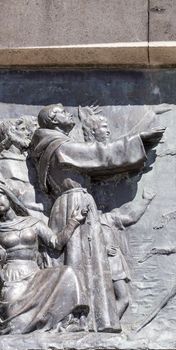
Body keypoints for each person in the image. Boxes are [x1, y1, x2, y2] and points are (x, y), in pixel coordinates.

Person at [30, 103, 165, 332]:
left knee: (83, 260)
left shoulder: (50, 147)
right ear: (53, 120)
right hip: (76, 206)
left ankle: (89, 320)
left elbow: (98, 166)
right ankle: (79, 319)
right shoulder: (60, 146)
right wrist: (137, 142)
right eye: (62, 111)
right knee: (80, 260)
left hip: (67, 205)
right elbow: (99, 156)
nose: (68, 114)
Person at [0, 183, 89, 334]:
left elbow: (56, 243)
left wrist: (74, 221)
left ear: (9, 196)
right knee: (15, 324)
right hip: (12, 277)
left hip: (36, 275)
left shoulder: (32, 222)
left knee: (67, 273)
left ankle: (70, 321)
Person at [100, 189, 155, 318]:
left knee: (122, 299)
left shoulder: (108, 218)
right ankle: (108, 325)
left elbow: (131, 217)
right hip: (103, 266)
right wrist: (103, 250)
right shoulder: (86, 223)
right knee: (122, 298)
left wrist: (146, 201)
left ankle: (108, 324)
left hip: (114, 264)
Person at [0, 116, 50, 220]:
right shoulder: (4, 163)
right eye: (22, 129)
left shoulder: (31, 159)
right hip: (29, 219)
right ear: (10, 134)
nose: (27, 133)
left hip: (45, 212)